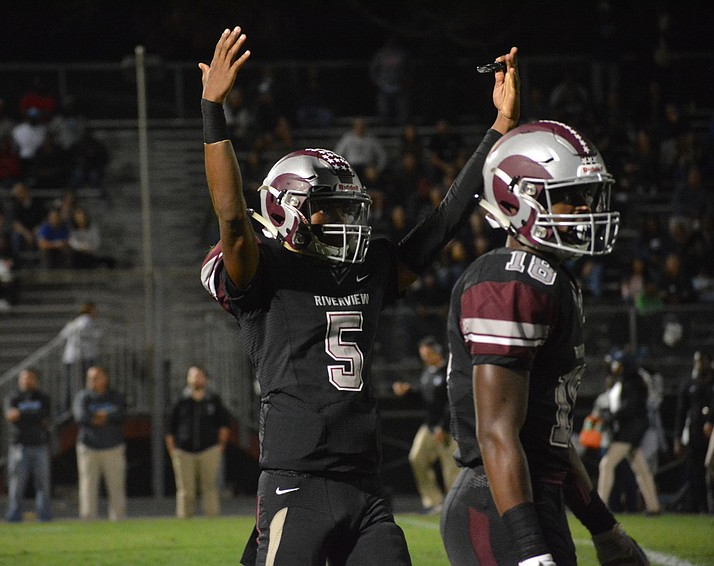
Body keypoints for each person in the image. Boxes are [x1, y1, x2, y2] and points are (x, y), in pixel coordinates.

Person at [198, 26, 519, 566]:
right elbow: (232, 221)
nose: (346, 221)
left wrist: (500, 128)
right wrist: (213, 110)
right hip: (294, 485)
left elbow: (441, 224)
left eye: (350, 209)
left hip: (366, 489)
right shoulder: (266, 272)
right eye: (331, 208)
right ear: (287, 209)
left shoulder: (365, 268)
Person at [441, 121, 649, 565]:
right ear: (517, 198)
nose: (582, 209)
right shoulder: (509, 280)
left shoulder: (551, 279)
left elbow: (548, 440)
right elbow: (497, 433)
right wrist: (531, 552)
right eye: (568, 197)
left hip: (531, 498)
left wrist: (603, 526)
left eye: (585, 197)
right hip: (500, 506)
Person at [391, 336, 457, 515]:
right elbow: (424, 398)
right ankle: (434, 501)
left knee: (451, 470)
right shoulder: (428, 372)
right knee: (417, 458)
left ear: (436, 352)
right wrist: (408, 392)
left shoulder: (447, 372)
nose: (424, 358)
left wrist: (443, 426)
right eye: (422, 354)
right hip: (429, 425)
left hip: (448, 428)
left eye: (427, 354)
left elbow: (451, 402)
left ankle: (453, 506)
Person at [597, 354, 661, 516]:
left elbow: (629, 408)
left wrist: (611, 416)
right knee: (641, 468)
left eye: (617, 364)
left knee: (606, 464)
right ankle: (653, 507)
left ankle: (599, 505)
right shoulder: (631, 380)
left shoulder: (633, 382)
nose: (614, 367)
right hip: (633, 429)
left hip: (630, 430)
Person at [165, 366, 232, 518]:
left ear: (205, 379)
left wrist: (220, 446)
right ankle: (185, 519)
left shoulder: (214, 400)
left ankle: (212, 518)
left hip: (209, 449)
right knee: (185, 490)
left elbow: (224, 425)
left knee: (209, 487)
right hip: (184, 451)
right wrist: (173, 451)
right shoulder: (180, 401)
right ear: (188, 379)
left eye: (200, 375)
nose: (197, 379)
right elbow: (169, 429)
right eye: (193, 376)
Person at [72, 366, 126, 521]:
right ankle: (88, 519)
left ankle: (119, 519)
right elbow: (81, 416)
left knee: (116, 486)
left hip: (113, 447)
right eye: (90, 378)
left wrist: (103, 418)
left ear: (105, 379)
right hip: (89, 448)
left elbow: (121, 414)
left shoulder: (115, 396)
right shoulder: (83, 397)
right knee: (88, 486)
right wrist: (102, 417)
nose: (92, 381)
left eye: (96, 377)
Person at [4, 368, 53, 522]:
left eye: (30, 378)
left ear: (36, 380)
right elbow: (10, 416)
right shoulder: (13, 397)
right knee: (17, 484)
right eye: (24, 378)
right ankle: (14, 516)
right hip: (19, 446)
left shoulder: (43, 397)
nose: (26, 381)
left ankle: (44, 516)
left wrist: (22, 415)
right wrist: (33, 417)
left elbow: (44, 417)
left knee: (43, 484)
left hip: (40, 445)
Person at [672, 350, 714, 513]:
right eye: (697, 361)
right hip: (696, 433)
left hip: (711, 434)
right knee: (697, 473)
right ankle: (702, 507)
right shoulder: (689, 383)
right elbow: (681, 412)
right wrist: (677, 437)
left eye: (702, 360)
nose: (699, 364)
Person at [59, 302, 102, 413]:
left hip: (71, 357)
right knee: (83, 384)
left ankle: (67, 408)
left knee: (70, 384)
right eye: (94, 309)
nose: (96, 312)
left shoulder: (75, 321)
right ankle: (79, 407)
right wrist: (96, 335)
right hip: (81, 358)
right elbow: (87, 334)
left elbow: (63, 334)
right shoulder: (86, 320)